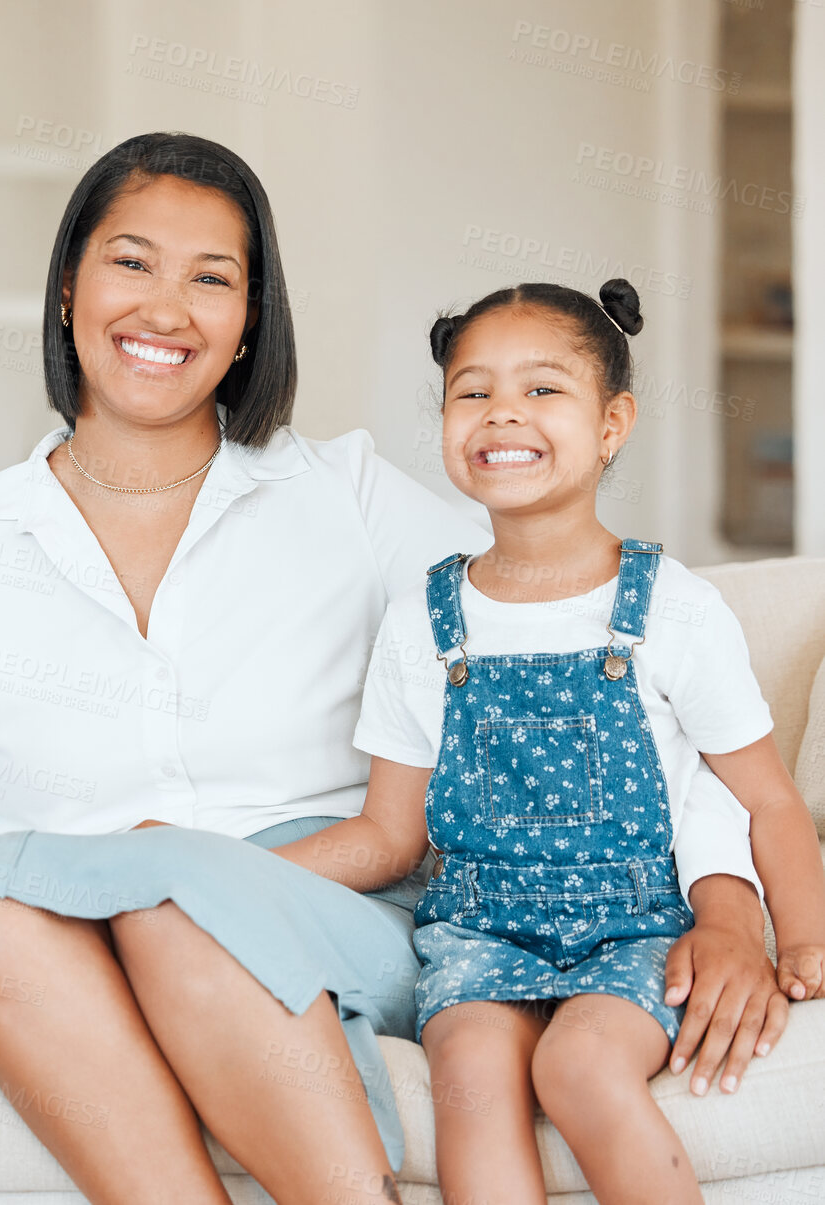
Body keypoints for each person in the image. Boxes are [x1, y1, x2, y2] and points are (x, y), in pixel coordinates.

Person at [0, 134, 789, 1205]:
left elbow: (620, 672)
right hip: (69, 945)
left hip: (336, 916)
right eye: (130, 261)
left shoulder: (343, 496)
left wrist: (729, 903)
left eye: (211, 277)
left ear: (249, 318)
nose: (165, 308)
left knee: (179, 905)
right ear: (67, 285)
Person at [271, 279, 825, 1203]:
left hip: (638, 928)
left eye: (542, 389)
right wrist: (225, 866)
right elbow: (389, 835)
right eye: (473, 391)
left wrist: (800, 944)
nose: (503, 414)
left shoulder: (674, 608)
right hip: (480, 928)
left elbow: (768, 796)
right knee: (471, 1075)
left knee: (578, 1068)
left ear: (613, 422)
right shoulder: (421, 621)